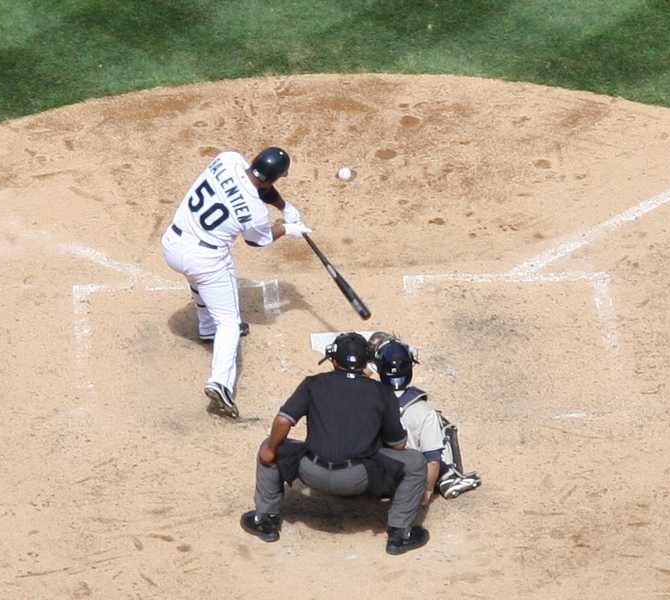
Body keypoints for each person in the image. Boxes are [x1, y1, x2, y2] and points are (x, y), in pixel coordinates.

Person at [240, 332, 431, 556]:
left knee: (269, 444)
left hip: (310, 471)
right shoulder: (383, 392)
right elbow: (397, 445)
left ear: (333, 359)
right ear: (367, 362)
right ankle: (399, 535)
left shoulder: (313, 383)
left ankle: (265, 520)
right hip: (358, 478)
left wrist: (271, 449)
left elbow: (283, 421)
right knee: (416, 462)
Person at [161, 147, 311, 418]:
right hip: (204, 260)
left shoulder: (227, 160)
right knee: (229, 322)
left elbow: (258, 184)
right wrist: (288, 227)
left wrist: (284, 206)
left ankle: (207, 328)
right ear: (275, 178)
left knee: (209, 275)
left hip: (173, 244)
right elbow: (257, 240)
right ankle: (220, 383)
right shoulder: (255, 212)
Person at [372, 335, 482, 505]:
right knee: (444, 427)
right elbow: (432, 460)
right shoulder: (424, 411)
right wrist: (427, 490)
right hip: (409, 483)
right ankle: (448, 476)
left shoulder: (367, 402)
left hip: (372, 479)